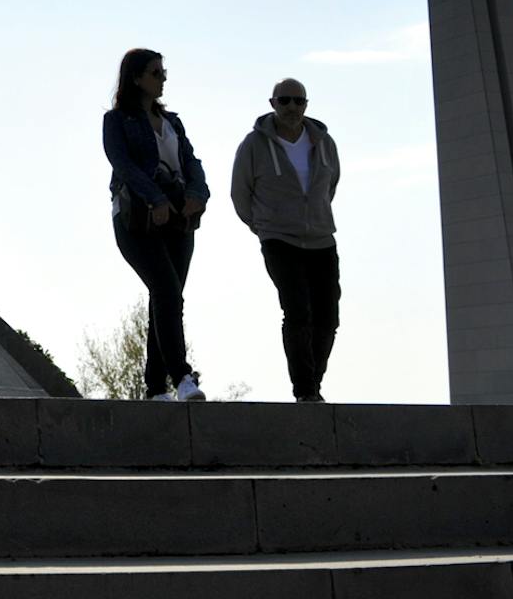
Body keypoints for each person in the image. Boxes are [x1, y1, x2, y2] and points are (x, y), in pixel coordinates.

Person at [103, 47, 210, 401]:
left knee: (166, 296)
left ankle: (154, 388)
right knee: (165, 290)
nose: (163, 79)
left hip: (178, 219)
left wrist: (198, 194)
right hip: (139, 219)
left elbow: (191, 161)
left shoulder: (173, 122)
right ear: (136, 77)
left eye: (164, 72)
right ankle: (181, 375)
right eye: (155, 73)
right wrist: (155, 198)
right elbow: (123, 165)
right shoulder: (117, 120)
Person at [229, 77, 341, 402]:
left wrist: (314, 215)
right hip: (279, 239)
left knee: (328, 316)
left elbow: (330, 185)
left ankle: (314, 384)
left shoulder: (324, 142)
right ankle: (305, 391)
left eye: (298, 101)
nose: (291, 107)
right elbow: (240, 192)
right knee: (297, 310)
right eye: (284, 101)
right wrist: (264, 225)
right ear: (272, 104)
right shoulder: (253, 145)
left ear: (306, 105)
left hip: (321, 238)